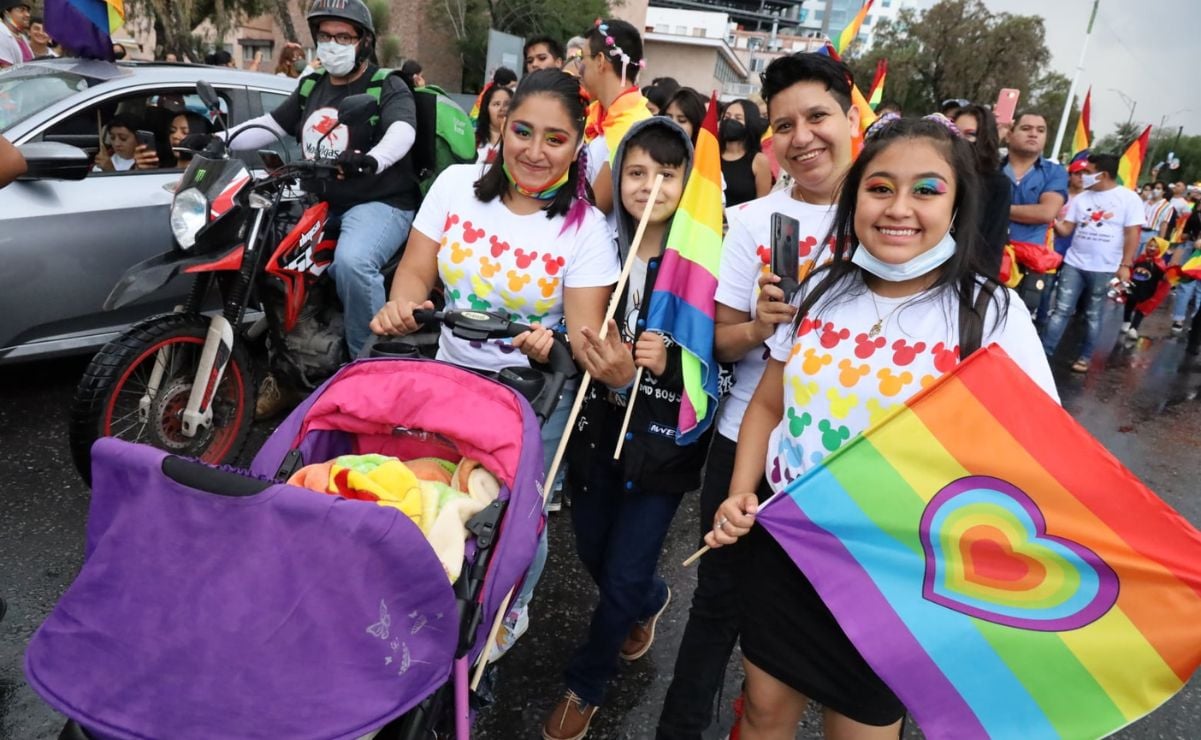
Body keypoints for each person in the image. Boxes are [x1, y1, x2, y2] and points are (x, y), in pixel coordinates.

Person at [704, 114, 1057, 740]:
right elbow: (766, 408)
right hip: (789, 549)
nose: (900, 208)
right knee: (760, 712)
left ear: (957, 204)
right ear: (855, 197)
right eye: (880, 187)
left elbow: (1039, 462)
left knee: (861, 730)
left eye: (927, 189)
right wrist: (741, 490)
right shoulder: (817, 291)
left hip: (898, 579)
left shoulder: (992, 315)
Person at [370, 67, 620, 666]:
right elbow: (414, 271)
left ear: (576, 146)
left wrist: (561, 343)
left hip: (536, 396)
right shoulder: (455, 186)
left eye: (555, 139)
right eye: (524, 131)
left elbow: (584, 340)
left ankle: (513, 607)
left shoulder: (586, 231)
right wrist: (403, 305)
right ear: (502, 127)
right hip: (451, 378)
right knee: (439, 496)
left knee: (512, 520)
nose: (535, 152)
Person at [657, 51, 860, 740]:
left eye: (816, 117)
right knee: (718, 600)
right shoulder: (750, 223)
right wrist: (760, 325)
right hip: (748, 437)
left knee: (831, 611)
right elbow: (717, 343)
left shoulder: (888, 214)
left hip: (851, 451)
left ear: (849, 114)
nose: (801, 137)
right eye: (783, 124)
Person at [539, 117, 708, 740]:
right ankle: (646, 600)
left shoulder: (704, 260)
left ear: (687, 183)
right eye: (637, 172)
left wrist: (680, 354)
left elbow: (726, 352)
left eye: (668, 175)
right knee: (589, 547)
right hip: (595, 431)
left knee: (624, 569)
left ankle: (586, 683)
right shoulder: (595, 242)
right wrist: (552, 339)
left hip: (660, 446)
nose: (651, 186)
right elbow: (574, 321)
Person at [189, 0, 422, 403]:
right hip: (322, 202)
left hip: (379, 202)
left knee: (353, 263)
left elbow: (402, 131)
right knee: (270, 258)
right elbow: (270, 125)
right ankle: (289, 372)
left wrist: (371, 160)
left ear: (364, 42)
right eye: (326, 36)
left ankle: (368, 370)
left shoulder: (387, 84)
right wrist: (219, 141)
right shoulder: (313, 84)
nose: (333, 44)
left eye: (343, 37)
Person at [1042, 152, 1144, 372]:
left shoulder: (1128, 199)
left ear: (1103, 174)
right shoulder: (1082, 199)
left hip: (1105, 267)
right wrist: (1051, 218)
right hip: (1074, 263)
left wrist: (1125, 265)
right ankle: (1043, 354)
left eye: (1088, 172)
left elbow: (1132, 233)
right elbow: (1067, 229)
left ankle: (1085, 357)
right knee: (1060, 310)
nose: (1083, 176)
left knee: (1092, 314)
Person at [580, 19, 652, 220]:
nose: (580, 69)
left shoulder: (633, 125)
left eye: (582, 59)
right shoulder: (597, 115)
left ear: (601, 61)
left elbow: (594, 205)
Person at [952, 104, 1010, 277]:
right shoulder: (935, 176)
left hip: (966, 277)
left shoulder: (997, 184)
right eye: (955, 133)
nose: (960, 140)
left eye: (970, 134)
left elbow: (992, 246)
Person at [1003, 111, 1068, 258]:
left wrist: (996, 208)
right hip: (985, 252)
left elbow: (1046, 213)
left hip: (1030, 258)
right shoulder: (991, 167)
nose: (1033, 134)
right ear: (1008, 135)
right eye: (1026, 128)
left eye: (1040, 130)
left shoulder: (1055, 172)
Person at [719, 99, 771, 207]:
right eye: (727, 117)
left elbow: (762, 205)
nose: (730, 121)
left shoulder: (759, 161)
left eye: (738, 118)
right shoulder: (712, 154)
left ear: (750, 123)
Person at [1121, 237, 1169, 340]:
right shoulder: (1141, 258)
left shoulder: (1160, 264)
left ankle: (1134, 328)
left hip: (1148, 290)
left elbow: (1163, 277)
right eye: (1150, 245)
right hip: (1134, 286)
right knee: (1130, 303)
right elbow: (1132, 268)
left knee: (1142, 309)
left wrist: (1171, 276)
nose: (1152, 248)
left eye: (1155, 247)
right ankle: (1126, 321)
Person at [93, 115, 158, 172]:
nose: (116, 144)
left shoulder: (146, 163)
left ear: (138, 138)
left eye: (123, 138)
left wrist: (110, 170)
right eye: (112, 138)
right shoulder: (107, 156)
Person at [474, 82, 512, 167]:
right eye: (496, 104)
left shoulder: (519, 143)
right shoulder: (473, 141)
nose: (502, 108)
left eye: (507, 104)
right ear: (486, 110)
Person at [1142, 182, 1175, 251]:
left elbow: (1164, 223)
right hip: (1139, 231)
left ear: (1163, 191)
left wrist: (1160, 241)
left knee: (1143, 257)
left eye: (1158, 188)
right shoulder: (1145, 202)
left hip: (1152, 233)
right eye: (1154, 188)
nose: (1155, 190)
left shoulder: (1167, 206)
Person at [0, 0, 31, 68]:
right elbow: (6, 71)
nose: (28, 15)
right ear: (7, 13)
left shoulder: (22, 37)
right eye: (22, 10)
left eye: (27, 11)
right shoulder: (1, 34)